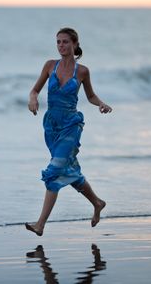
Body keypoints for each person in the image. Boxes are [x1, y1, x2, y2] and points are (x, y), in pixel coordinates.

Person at [25, 27, 112, 237]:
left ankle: (40, 224)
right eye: (58, 42)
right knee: (69, 170)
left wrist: (100, 103)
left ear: (74, 44)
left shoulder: (82, 71)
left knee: (54, 172)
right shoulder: (49, 66)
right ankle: (98, 203)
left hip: (71, 125)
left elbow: (90, 96)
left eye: (65, 42)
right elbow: (35, 89)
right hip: (51, 126)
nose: (61, 46)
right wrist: (33, 99)